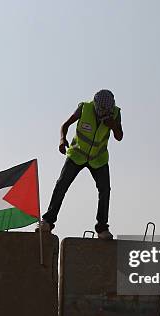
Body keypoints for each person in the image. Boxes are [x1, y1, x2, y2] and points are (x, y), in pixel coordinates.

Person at [38, 89, 123, 239]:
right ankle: (47, 221)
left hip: (98, 159)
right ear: (96, 106)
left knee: (105, 190)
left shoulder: (115, 113)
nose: (104, 113)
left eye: (107, 111)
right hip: (77, 155)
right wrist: (62, 140)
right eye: (102, 110)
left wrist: (114, 125)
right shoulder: (84, 108)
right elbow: (65, 125)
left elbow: (119, 136)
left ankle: (102, 228)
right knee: (61, 185)